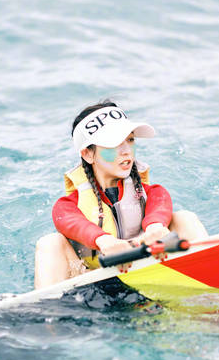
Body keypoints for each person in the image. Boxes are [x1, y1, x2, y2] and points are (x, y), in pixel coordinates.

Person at [34, 100, 208, 289]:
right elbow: (66, 219)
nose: (126, 151)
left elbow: (160, 200)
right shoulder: (68, 206)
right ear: (87, 154)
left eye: (130, 140)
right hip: (94, 285)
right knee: (50, 243)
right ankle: (45, 308)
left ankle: (213, 275)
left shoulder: (149, 194)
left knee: (184, 218)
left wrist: (155, 227)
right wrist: (104, 240)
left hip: (151, 272)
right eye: (114, 143)